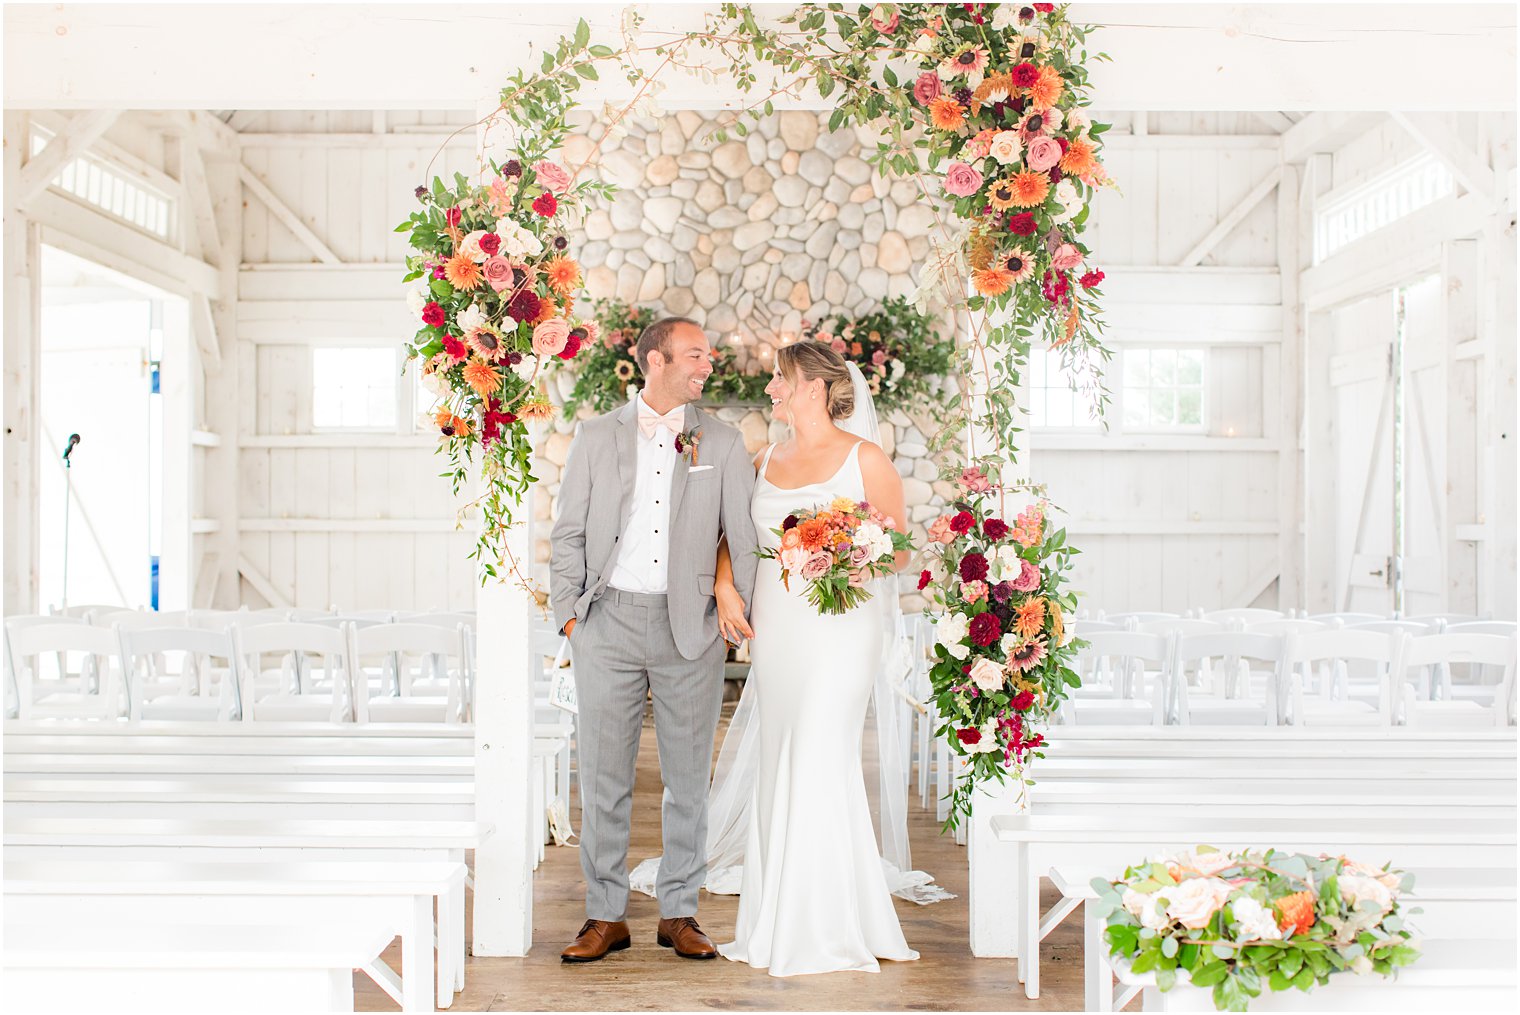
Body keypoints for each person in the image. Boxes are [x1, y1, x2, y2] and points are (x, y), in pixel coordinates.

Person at [549, 316, 759, 963]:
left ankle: (680, 910)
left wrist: (731, 603)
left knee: (687, 779)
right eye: (695, 353)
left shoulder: (721, 442)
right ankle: (605, 913)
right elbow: (568, 532)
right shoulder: (594, 435)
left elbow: (743, 535)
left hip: (688, 629)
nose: (708, 361)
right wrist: (571, 620)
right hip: (605, 622)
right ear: (655, 361)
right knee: (604, 777)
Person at [713, 341, 923, 976]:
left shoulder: (866, 459)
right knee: (783, 758)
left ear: (811, 387)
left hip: (841, 628)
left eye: (781, 378)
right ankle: (781, 915)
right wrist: (725, 586)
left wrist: (844, 549)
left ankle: (823, 925)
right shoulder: (764, 457)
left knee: (819, 753)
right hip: (778, 631)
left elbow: (901, 551)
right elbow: (733, 535)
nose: (772, 388)